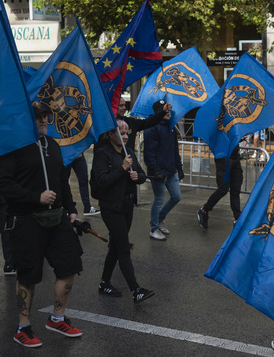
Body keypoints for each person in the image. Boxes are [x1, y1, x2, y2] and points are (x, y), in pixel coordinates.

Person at [0, 102, 85, 348]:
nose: (44, 121)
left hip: (57, 217)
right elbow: (3, 183)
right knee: (28, 275)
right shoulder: (14, 147)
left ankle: (57, 318)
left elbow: (62, 181)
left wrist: (72, 211)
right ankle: (22, 327)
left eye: (46, 117)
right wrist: (35, 197)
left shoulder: (55, 146)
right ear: (28, 121)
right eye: (39, 118)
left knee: (70, 265)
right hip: (26, 219)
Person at [92, 120, 154, 303]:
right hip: (111, 207)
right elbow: (102, 181)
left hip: (126, 206)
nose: (125, 136)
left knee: (116, 246)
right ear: (110, 134)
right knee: (124, 248)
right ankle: (136, 290)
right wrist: (123, 169)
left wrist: (137, 177)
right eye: (121, 133)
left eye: (127, 133)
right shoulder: (102, 154)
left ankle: (104, 282)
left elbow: (142, 175)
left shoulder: (129, 153)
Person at [144, 100, 183, 241]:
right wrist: (155, 171)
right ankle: (153, 229)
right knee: (159, 199)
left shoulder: (171, 126)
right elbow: (149, 153)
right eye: (164, 109)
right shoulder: (151, 128)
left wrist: (179, 167)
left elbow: (175, 149)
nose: (168, 112)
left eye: (169, 109)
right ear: (158, 112)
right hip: (158, 172)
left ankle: (159, 219)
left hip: (170, 170)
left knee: (176, 197)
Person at [94, 96, 171, 152]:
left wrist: (163, 112)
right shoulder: (104, 126)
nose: (124, 108)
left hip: (128, 167)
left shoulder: (130, 122)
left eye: (125, 105)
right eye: (121, 105)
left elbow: (148, 122)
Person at [197, 145, 243, 229]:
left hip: (235, 157)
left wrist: (239, 138)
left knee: (236, 189)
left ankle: (237, 218)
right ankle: (204, 210)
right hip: (223, 159)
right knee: (223, 189)